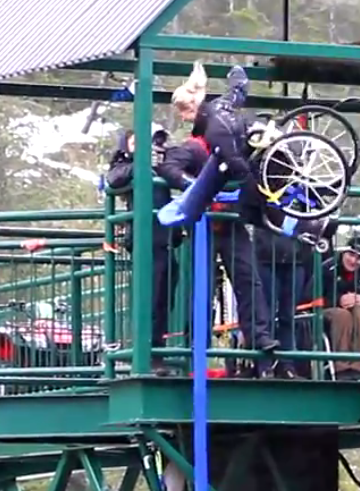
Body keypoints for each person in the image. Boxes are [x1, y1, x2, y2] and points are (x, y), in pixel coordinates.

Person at [167, 63, 338, 248]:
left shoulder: (213, 130)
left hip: (266, 162)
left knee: (251, 209)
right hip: (273, 153)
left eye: (182, 112)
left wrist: (252, 189)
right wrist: (237, 72)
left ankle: (312, 228)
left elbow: (233, 161)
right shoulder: (221, 105)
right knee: (267, 202)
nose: (183, 118)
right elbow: (239, 89)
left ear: (191, 108)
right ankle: (314, 215)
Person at [157, 130, 279, 354]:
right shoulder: (193, 148)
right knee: (202, 283)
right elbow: (168, 168)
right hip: (203, 223)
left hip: (232, 223)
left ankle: (258, 335)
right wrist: (197, 188)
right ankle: (196, 340)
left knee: (248, 278)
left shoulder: (238, 151)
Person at [106, 127, 182, 372]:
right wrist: (140, 162)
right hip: (145, 242)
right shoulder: (124, 165)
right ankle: (146, 355)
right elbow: (113, 179)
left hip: (166, 240)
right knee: (149, 300)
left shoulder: (159, 163)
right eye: (134, 141)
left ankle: (155, 351)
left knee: (164, 301)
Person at [319, 236, 360, 381]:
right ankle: (342, 369)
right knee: (343, 316)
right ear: (344, 252)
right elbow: (310, 296)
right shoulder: (328, 268)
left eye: (359, 258)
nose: (353, 261)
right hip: (330, 311)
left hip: (358, 311)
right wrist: (338, 300)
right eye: (351, 255)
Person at [253, 227, 313, 379]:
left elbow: (319, 215)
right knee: (265, 314)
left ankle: (287, 366)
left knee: (289, 316)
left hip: (296, 258)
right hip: (266, 256)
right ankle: (264, 365)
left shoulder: (305, 201)